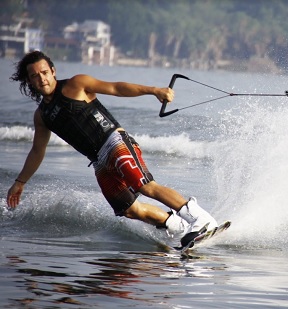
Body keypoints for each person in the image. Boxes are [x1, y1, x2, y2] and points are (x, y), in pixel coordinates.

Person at [6, 50, 217, 248]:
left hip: (115, 142)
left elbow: (116, 88)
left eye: (44, 72)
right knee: (130, 210)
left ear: (53, 71)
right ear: (29, 81)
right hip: (99, 162)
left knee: (144, 185)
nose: (41, 79)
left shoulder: (76, 84)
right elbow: (37, 150)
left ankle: (200, 218)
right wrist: (20, 182)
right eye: (35, 76)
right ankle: (180, 228)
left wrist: (154, 91)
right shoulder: (42, 116)